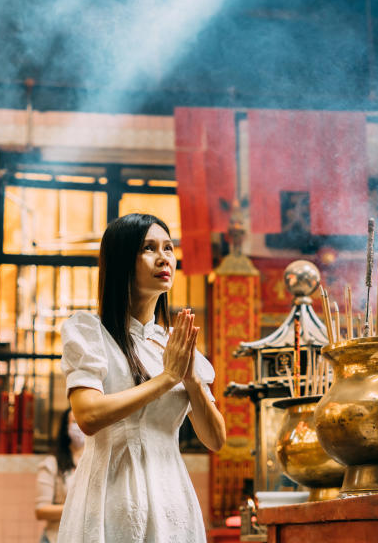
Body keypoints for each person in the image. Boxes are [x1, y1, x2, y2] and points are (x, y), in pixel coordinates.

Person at [58, 213, 227, 542]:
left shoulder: (173, 345)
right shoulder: (90, 332)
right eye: (149, 248)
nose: (164, 257)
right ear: (122, 260)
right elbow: (88, 416)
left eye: (169, 248)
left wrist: (191, 381)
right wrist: (166, 379)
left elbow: (216, 440)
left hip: (172, 497)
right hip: (113, 495)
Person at [35, 408, 85, 543]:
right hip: (56, 538)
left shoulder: (97, 462)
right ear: (65, 428)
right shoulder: (51, 464)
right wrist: (79, 508)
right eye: (75, 422)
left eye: (83, 421)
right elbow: (41, 511)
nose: (80, 426)